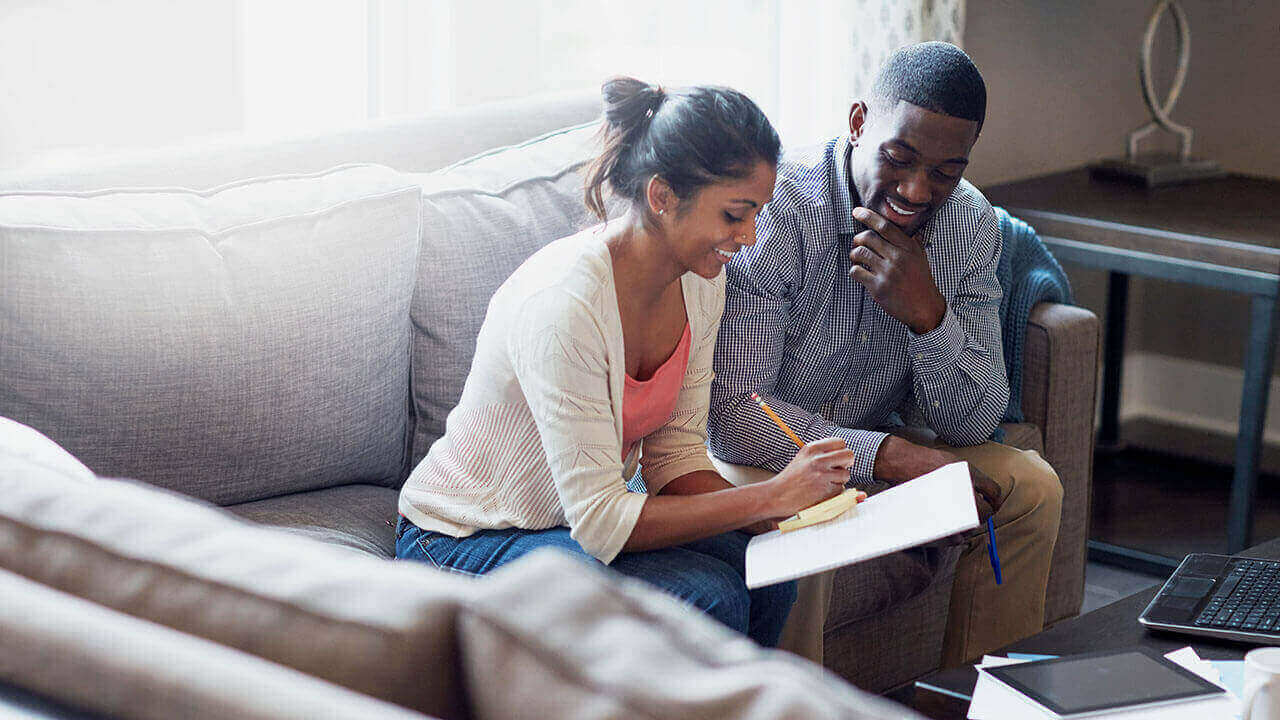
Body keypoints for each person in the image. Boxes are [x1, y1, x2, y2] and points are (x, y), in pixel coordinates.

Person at [396, 77, 858, 648]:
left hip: (568, 521)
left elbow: (675, 457)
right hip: (467, 531)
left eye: (757, 213)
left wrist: (773, 518)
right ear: (662, 197)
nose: (750, 237)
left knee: (767, 575)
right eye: (735, 214)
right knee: (707, 594)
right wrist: (767, 495)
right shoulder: (565, 306)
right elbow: (601, 519)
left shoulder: (700, 282)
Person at [707, 42, 1064, 664]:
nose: (917, 190)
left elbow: (975, 423)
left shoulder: (970, 224)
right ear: (858, 122)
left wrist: (929, 316)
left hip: (871, 447)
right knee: (810, 520)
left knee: (1032, 486)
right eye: (898, 159)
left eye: (945, 173)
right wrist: (893, 457)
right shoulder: (777, 209)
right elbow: (738, 417)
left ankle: (984, 699)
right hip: (766, 456)